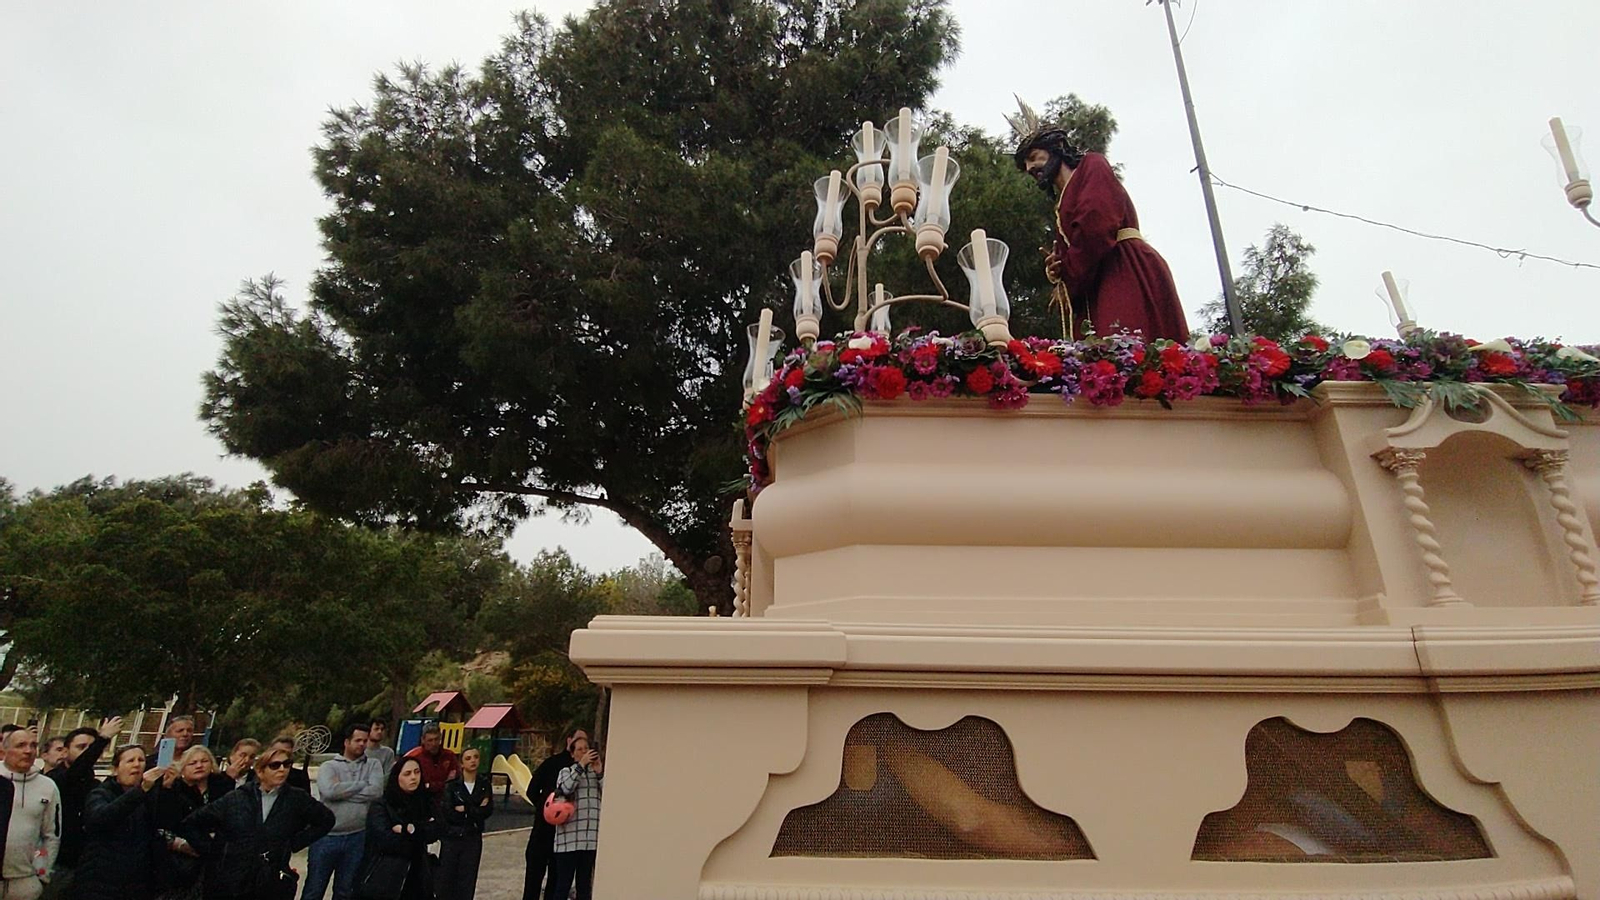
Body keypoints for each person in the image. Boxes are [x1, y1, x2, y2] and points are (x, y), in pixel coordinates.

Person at [1008, 99, 1189, 344]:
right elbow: (1077, 245)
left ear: (1057, 147)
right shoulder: (1061, 203)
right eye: (1026, 164)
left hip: (1123, 267)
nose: (1030, 167)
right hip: (1096, 277)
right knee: (1102, 355)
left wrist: (1070, 272)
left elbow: (1096, 225)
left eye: (1034, 156)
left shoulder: (1092, 165)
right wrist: (1057, 267)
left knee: (1126, 344)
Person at [178, 744, 334, 900]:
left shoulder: (296, 798)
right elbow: (191, 824)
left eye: (286, 764)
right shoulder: (237, 798)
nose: (282, 769)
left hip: (271, 877)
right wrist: (214, 851)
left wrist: (293, 843)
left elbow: (326, 820)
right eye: (275, 765)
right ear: (260, 771)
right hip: (233, 877)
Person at [73, 744, 165, 900]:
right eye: (130, 761)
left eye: (141, 760)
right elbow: (99, 820)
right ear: (115, 769)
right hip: (101, 882)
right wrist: (140, 791)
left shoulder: (150, 796)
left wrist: (168, 788)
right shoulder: (101, 793)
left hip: (136, 884)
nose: (136, 764)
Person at [303, 724, 384, 900]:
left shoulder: (373, 765)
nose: (362, 744)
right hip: (326, 838)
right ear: (347, 742)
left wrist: (343, 790)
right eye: (358, 740)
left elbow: (376, 791)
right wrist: (363, 784)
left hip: (357, 837)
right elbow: (329, 791)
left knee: (345, 890)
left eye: (365, 740)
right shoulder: (329, 766)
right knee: (314, 889)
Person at [46, 716, 122, 880]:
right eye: (81, 747)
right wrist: (102, 740)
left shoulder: (96, 784)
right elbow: (76, 774)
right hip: (56, 863)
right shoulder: (55, 778)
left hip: (85, 862)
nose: (88, 752)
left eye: (91, 748)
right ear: (65, 751)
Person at [153, 745, 234, 899]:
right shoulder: (172, 789)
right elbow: (162, 823)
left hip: (214, 860)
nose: (199, 765)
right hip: (181, 862)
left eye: (204, 761)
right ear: (182, 768)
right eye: (193, 763)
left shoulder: (222, 788)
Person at [354, 758, 438, 900]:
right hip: (387, 875)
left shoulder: (425, 802)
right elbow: (386, 841)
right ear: (397, 777)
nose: (413, 777)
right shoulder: (382, 805)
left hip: (419, 875)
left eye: (417, 772)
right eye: (407, 774)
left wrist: (408, 829)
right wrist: (418, 836)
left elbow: (435, 830)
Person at [522, 728, 585, 900]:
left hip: (566, 834)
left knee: (557, 883)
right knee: (533, 880)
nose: (583, 748)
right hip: (543, 831)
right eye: (579, 742)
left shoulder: (588, 771)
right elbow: (532, 791)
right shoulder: (552, 763)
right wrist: (548, 810)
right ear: (569, 741)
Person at [0, 727, 61, 899]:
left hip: (25, 883)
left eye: (33, 745)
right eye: (21, 745)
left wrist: (42, 875)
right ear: (4, 750)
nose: (28, 751)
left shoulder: (47, 787)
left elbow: (51, 835)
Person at [547, 736, 603, 900]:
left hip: (591, 840)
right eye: (580, 749)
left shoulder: (595, 774)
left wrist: (599, 772)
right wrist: (580, 766)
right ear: (573, 754)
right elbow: (565, 788)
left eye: (587, 748)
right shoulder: (565, 772)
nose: (585, 752)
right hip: (568, 841)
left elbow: (610, 794)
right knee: (563, 886)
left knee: (584, 887)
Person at [436, 748, 492, 900]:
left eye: (475, 757)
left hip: (472, 837)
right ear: (461, 763)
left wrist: (465, 809)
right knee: (446, 879)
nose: (473, 761)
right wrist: (475, 809)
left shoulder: (484, 784)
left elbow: (487, 810)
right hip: (453, 837)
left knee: (467, 880)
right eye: (468, 758)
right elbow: (449, 812)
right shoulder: (452, 786)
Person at [401, 724, 458, 800]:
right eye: (430, 740)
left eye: (436, 739)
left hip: (444, 799)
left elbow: (455, 778)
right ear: (423, 740)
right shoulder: (413, 757)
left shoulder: (449, 756)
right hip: (420, 798)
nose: (433, 744)